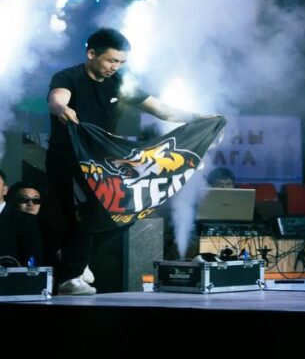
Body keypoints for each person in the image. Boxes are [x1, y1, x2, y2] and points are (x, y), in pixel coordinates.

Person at [47, 28, 214, 296]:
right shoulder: (69, 76)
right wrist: (63, 109)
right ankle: (70, 276)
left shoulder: (121, 83)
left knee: (123, 215)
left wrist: (198, 118)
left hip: (102, 164)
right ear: (92, 54)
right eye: (111, 60)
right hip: (67, 161)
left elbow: (163, 110)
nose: (116, 67)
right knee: (83, 216)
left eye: (121, 62)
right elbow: (57, 98)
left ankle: (74, 258)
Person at [0, 171, 43, 267]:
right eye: (25, 199)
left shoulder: (25, 220)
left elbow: (33, 258)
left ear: (5, 190)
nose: (30, 204)